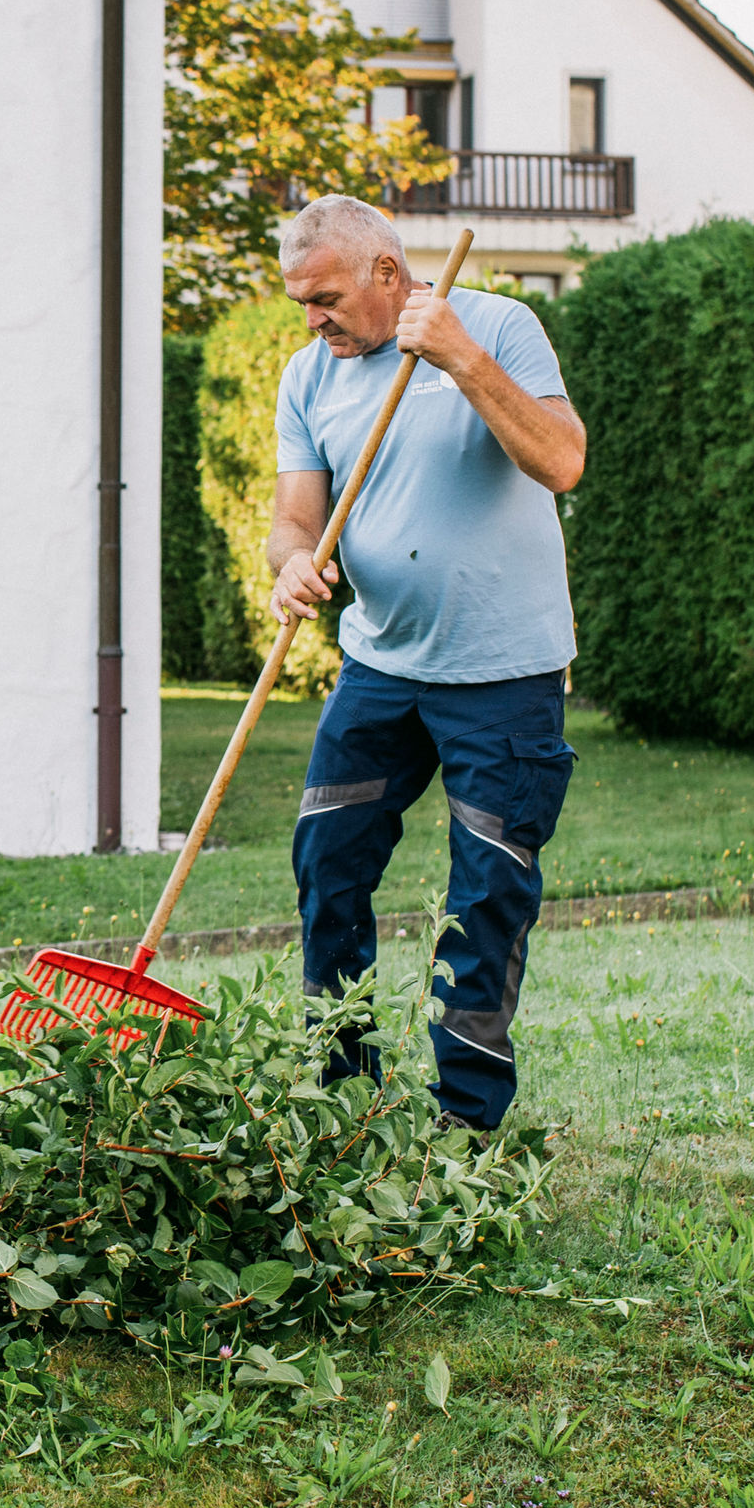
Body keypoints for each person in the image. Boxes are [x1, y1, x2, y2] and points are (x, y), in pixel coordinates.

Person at [263, 195, 585, 1131]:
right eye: (300, 303)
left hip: (503, 674)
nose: (312, 320)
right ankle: (342, 1101)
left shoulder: (497, 327)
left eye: (326, 299)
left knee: (486, 899)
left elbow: (561, 462)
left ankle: (465, 1126)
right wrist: (292, 564)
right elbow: (293, 519)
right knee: (328, 865)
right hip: (380, 669)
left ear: (387, 274)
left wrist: (459, 357)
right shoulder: (308, 376)